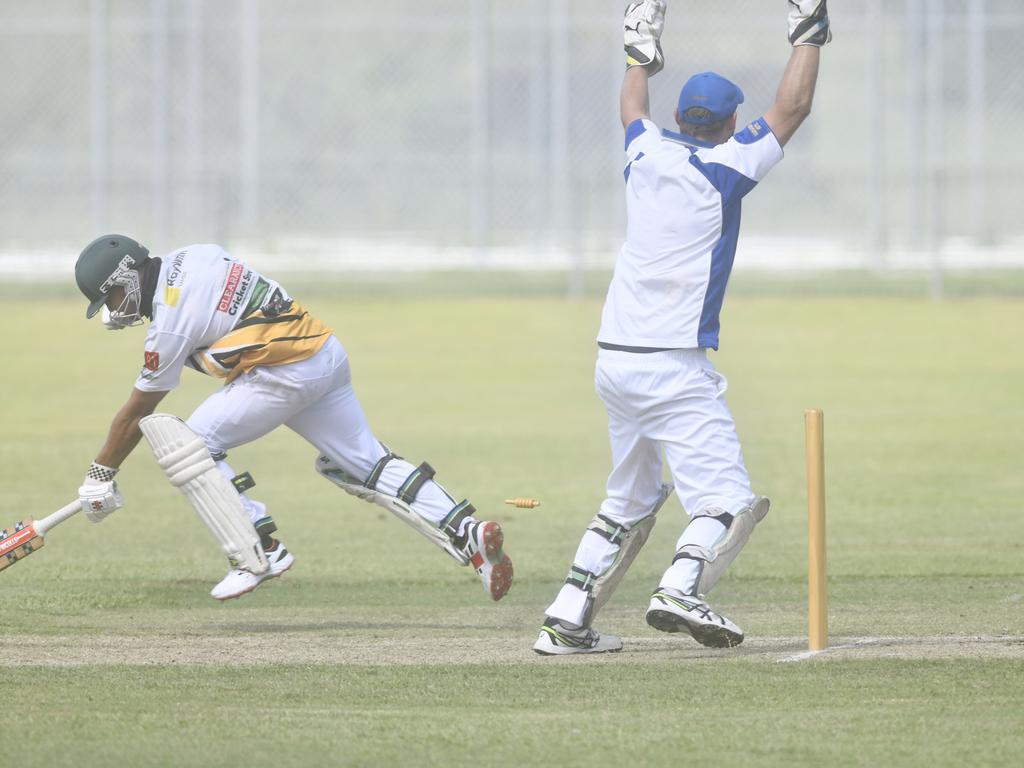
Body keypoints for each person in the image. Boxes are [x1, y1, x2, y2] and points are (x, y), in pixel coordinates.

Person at [533, 0, 830, 655]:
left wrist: (640, 50)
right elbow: (793, 108)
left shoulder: (645, 153)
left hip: (615, 360)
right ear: (729, 124)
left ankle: (565, 618)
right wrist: (808, 33)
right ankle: (680, 586)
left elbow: (630, 109)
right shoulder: (726, 168)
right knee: (727, 503)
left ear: (677, 119)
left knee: (630, 499)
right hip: (672, 365)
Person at [73, 236, 513, 601]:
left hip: (283, 372)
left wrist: (100, 475)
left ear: (127, 277)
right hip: (324, 352)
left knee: (191, 443)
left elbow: (138, 412)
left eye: (110, 296)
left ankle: (257, 550)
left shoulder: (169, 323)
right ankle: (467, 530)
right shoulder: (194, 253)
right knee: (366, 464)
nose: (114, 309)